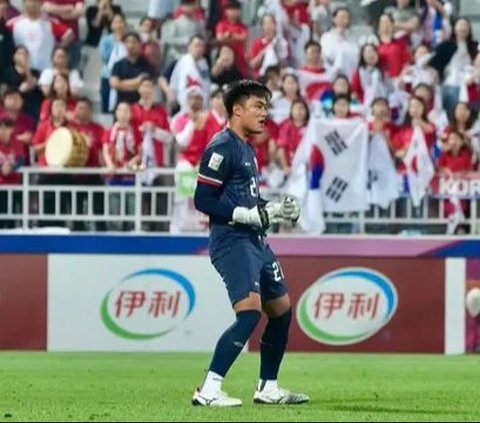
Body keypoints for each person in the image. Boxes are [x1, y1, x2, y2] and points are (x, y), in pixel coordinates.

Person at [192, 79, 309, 407]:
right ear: (237, 110)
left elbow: (244, 202)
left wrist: (271, 210)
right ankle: (209, 390)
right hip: (231, 240)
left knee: (282, 311)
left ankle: (268, 387)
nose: (264, 113)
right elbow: (203, 199)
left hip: (255, 240)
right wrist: (245, 215)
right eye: (258, 106)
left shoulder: (246, 147)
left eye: (266, 107)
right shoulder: (222, 146)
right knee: (248, 314)